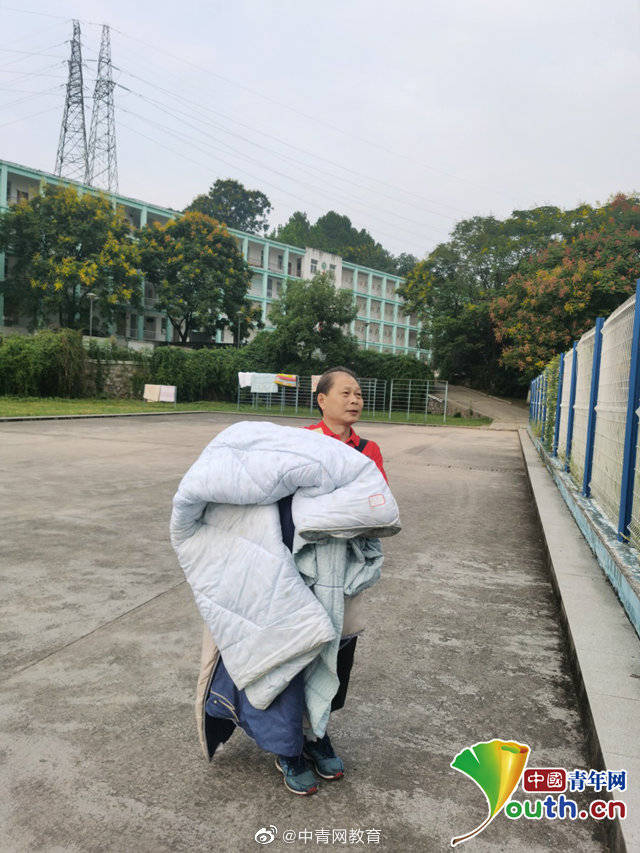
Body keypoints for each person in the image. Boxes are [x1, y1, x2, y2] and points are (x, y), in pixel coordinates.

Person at [273, 367, 388, 794]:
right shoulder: (301, 442)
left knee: (340, 650)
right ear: (321, 399)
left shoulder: (368, 449)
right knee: (297, 651)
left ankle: (317, 734)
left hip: (346, 571)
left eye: (359, 393)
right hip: (300, 567)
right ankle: (287, 745)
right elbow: (285, 501)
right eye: (345, 392)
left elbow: (378, 509)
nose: (355, 399)